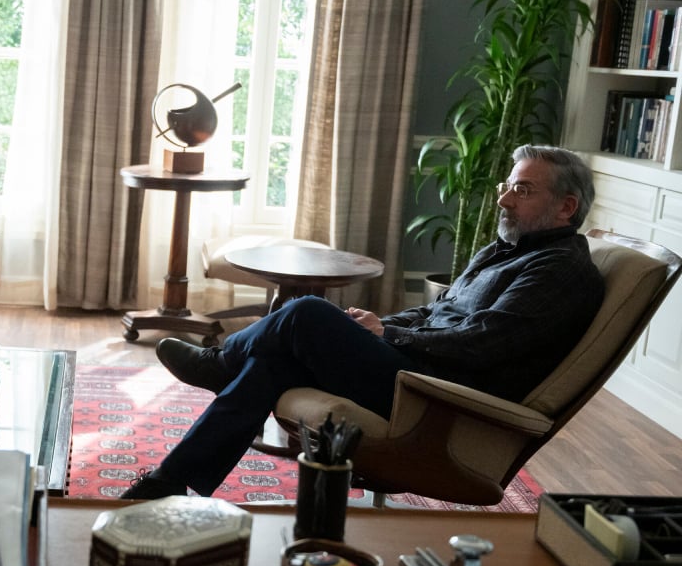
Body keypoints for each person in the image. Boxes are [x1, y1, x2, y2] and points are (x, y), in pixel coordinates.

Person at [122, 144, 605, 500]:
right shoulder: (509, 250)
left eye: (522, 190)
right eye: (507, 187)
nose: (504, 201)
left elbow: (486, 343)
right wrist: (380, 324)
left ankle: (219, 362)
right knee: (273, 364)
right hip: (418, 366)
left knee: (306, 312)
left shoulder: (558, 269)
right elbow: (440, 313)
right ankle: (169, 481)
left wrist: (389, 335)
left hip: (440, 395)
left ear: (566, 207)